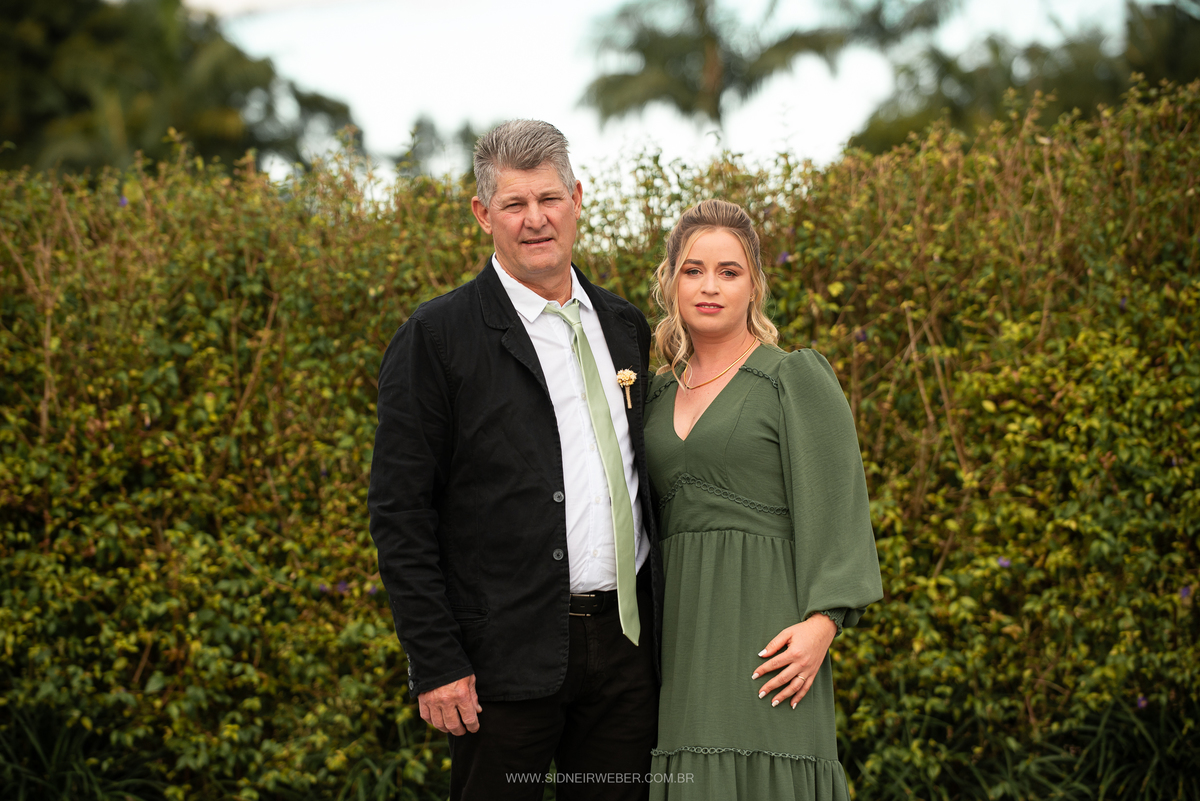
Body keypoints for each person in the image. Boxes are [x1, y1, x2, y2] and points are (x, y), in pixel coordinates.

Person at [368, 119, 663, 801]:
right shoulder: (436, 337)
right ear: (483, 213)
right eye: (514, 204)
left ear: (577, 199)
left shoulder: (624, 326)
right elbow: (399, 512)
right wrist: (436, 659)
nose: (536, 219)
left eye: (549, 198)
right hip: (499, 659)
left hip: (627, 653)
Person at [642, 200, 883, 800]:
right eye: (693, 270)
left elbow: (840, 509)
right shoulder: (651, 394)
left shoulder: (793, 379)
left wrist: (823, 625)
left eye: (729, 271)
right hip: (678, 637)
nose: (710, 286)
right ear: (671, 282)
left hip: (770, 640)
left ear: (754, 285)